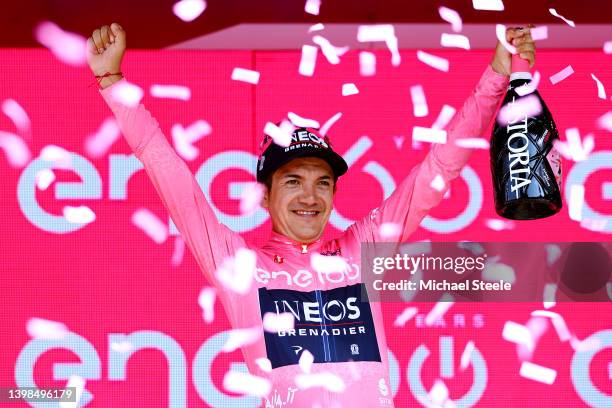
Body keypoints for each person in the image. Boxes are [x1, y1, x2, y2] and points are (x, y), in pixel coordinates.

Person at [87, 23, 535, 407]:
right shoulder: (239, 266)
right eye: (292, 180)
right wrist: (111, 81)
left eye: (322, 182)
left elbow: (441, 166)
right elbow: (166, 168)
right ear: (264, 196)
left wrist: (497, 74)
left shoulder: (363, 247)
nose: (310, 196)